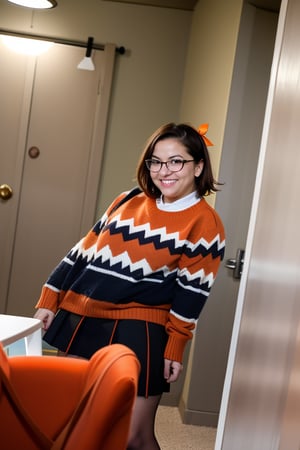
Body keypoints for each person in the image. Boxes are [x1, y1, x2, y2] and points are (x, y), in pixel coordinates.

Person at [34, 122, 225, 450]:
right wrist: (50, 297)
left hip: (140, 330)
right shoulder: (128, 200)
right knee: (70, 418)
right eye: (156, 161)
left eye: (176, 161)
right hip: (83, 316)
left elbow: (191, 293)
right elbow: (83, 251)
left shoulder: (206, 223)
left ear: (199, 166)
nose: (164, 171)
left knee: (133, 437)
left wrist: (175, 346)